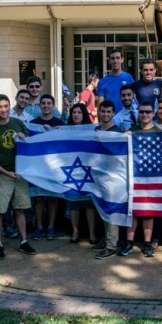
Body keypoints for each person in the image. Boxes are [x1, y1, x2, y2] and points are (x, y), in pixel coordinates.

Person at [0, 95, 34, 260]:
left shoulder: (17, 123)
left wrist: (24, 138)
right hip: (2, 175)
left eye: (6, 106)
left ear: (9, 106)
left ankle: (23, 241)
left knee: (20, 208)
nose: (3, 110)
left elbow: (29, 145)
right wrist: (6, 173)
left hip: (19, 173)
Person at [120, 101, 162, 258]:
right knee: (132, 211)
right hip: (133, 177)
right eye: (142, 112)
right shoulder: (132, 131)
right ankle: (129, 242)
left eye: (147, 112)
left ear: (153, 113)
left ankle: (147, 243)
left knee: (147, 211)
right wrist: (125, 137)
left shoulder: (159, 132)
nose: (144, 114)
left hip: (150, 179)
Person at [30, 93, 66, 241]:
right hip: (38, 166)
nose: (46, 106)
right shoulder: (33, 124)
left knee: (52, 198)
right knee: (38, 198)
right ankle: (39, 226)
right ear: (40, 106)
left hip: (54, 166)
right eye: (43, 103)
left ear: (53, 105)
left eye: (48, 103)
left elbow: (66, 144)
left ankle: (50, 227)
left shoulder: (60, 124)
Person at [93, 100, 124, 260]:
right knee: (104, 209)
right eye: (103, 111)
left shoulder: (118, 132)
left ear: (113, 113)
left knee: (111, 210)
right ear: (99, 111)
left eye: (108, 112)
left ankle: (111, 245)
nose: (105, 114)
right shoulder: (96, 130)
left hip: (114, 178)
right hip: (99, 176)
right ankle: (107, 239)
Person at [66, 103, 99, 245]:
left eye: (79, 112)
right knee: (73, 203)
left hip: (87, 169)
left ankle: (92, 232)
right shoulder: (65, 130)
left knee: (88, 203)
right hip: (72, 170)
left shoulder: (92, 130)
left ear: (84, 114)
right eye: (74, 112)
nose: (76, 115)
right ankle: (75, 231)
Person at [96, 48, 134, 113]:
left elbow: (134, 98)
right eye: (113, 58)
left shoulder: (128, 77)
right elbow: (100, 105)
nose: (115, 61)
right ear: (109, 61)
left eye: (118, 58)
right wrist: (101, 122)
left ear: (122, 59)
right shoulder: (102, 82)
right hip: (110, 120)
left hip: (127, 119)